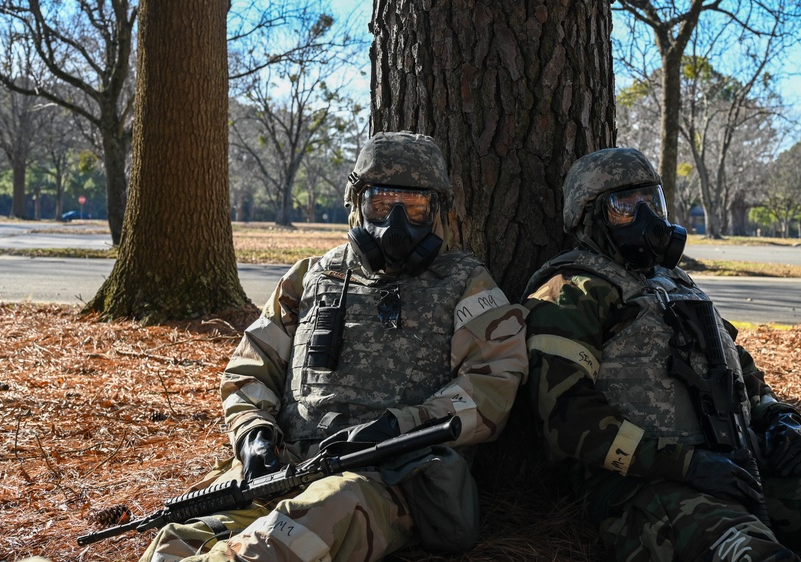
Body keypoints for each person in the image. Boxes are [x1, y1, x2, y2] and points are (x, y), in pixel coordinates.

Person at [522, 147, 801, 561]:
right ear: (590, 218)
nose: (647, 218)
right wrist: (688, 465)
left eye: (651, 200)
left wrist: (778, 418)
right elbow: (564, 416)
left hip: (739, 463)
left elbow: (736, 367)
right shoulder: (571, 292)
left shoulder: (676, 283)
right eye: (625, 205)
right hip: (651, 487)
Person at [139, 131, 528, 562]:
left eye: (414, 208)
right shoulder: (310, 276)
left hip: (383, 477)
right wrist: (253, 434)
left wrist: (402, 424)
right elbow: (250, 369)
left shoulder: (465, 283)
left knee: (288, 536)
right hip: (280, 468)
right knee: (174, 541)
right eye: (381, 204)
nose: (395, 222)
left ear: (438, 212)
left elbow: (493, 385)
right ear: (356, 203)